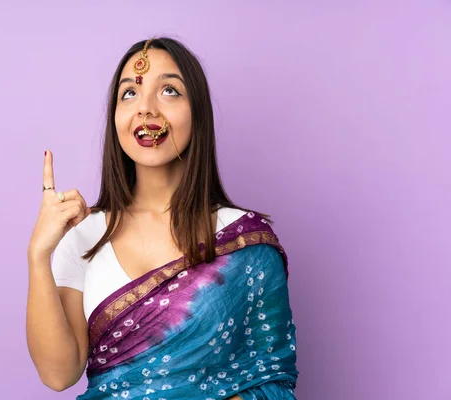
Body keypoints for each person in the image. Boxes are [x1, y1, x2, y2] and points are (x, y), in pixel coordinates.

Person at [26, 37, 299, 399]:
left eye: (169, 90)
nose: (146, 109)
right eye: (129, 94)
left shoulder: (245, 241)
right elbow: (58, 374)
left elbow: (271, 378)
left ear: (196, 112)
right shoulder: (83, 234)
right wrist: (38, 256)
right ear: (115, 118)